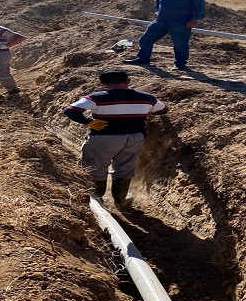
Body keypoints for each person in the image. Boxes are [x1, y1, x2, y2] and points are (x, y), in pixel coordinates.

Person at [63, 70, 168, 208]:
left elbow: (70, 110)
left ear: (103, 84)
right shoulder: (147, 98)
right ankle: (120, 200)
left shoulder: (97, 97)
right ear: (128, 81)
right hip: (134, 137)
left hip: (104, 138)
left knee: (95, 167)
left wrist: (89, 122)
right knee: (125, 168)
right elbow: (163, 110)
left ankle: (96, 201)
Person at [122, 0, 205, 71]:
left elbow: (200, 7)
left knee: (180, 44)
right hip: (160, 22)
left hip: (180, 23)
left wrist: (194, 20)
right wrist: (158, 11)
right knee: (145, 39)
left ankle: (180, 64)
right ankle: (143, 59)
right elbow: (158, 2)